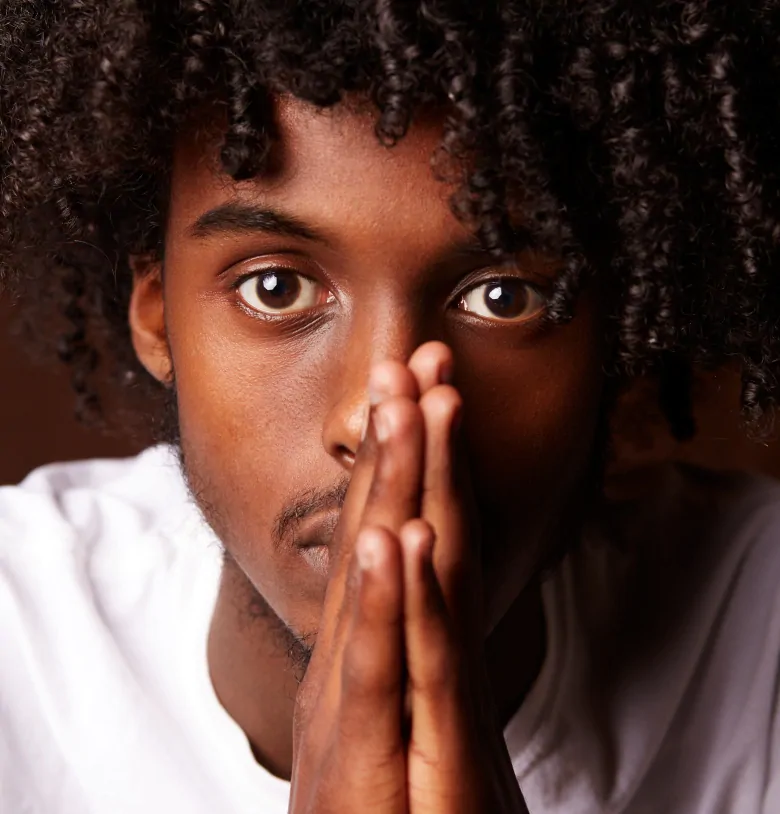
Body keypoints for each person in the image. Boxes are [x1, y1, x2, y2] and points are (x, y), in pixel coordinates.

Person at [1, 2, 780, 812]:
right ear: (159, 313)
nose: (376, 423)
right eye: (277, 287)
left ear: (619, 338)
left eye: (504, 296)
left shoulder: (760, 635)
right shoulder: (17, 648)